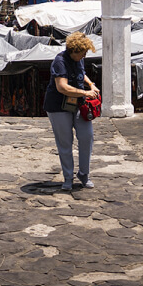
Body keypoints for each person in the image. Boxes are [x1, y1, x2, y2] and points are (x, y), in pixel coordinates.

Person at [44, 31, 100, 192]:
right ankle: (68, 177)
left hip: (78, 105)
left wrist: (90, 84)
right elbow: (62, 87)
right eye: (83, 53)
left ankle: (84, 173)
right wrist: (85, 93)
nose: (84, 56)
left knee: (86, 136)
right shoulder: (59, 62)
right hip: (58, 106)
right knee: (65, 142)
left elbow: (82, 73)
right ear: (74, 51)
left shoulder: (79, 60)